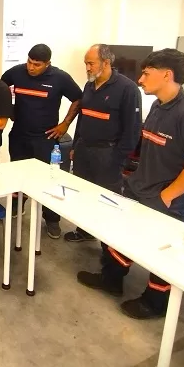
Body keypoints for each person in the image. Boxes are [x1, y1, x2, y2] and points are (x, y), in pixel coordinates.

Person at [77, 49, 184, 320]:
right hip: (140, 187)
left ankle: (155, 302)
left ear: (167, 75)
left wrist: (166, 196)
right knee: (121, 235)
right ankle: (111, 279)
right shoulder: (158, 106)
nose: (140, 80)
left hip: (166, 198)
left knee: (162, 252)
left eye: (147, 74)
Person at [1, 44, 82, 239]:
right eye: (29, 62)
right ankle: (18, 205)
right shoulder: (17, 72)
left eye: (36, 64)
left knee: (48, 179)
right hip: (19, 135)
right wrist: (8, 109)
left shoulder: (60, 78)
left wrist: (65, 124)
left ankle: (51, 219)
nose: (31, 67)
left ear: (48, 64)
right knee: (18, 175)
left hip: (46, 138)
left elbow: (78, 99)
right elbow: (0, 87)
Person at [64, 44, 142, 242]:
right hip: (84, 150)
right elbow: (82, 117)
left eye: (91, 63)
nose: (87, 68)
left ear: (106, 62)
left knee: (107, 199)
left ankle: (108, 245)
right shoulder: (89, 85)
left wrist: (119, 159)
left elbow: (132, 129)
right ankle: (85, 231)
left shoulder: (127, 89)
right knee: (83, 193)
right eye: (86, 63)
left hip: (108, 153)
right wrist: (75, 146)